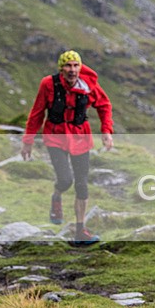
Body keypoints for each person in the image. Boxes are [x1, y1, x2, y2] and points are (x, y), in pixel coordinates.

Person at [21, 50, 114, 246]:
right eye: (68, 66)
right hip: (55, 137)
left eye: (75, 66)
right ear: (61, 68)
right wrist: (27, 141)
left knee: (81, 184)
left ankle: (80, 232)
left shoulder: (89, 85)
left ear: (80, 67)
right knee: (65, 180)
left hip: (80, 137)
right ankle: (57, 196)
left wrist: (106, 131)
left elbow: (104, 105)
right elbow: (37, 113)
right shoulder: (48, 84)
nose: (72, 70)